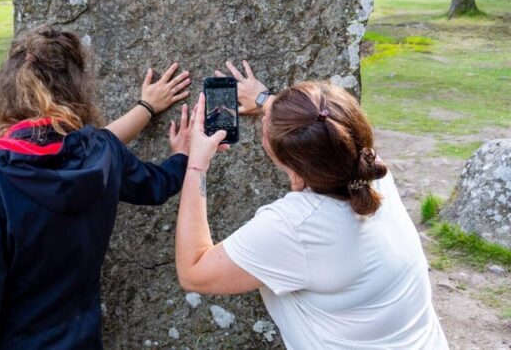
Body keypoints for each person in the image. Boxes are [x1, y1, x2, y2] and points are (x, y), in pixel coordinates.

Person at [0, 25, 193, 349]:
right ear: (77, 86)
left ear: (9, 90)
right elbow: (155, 185)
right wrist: (184, 157)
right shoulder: (104, 152)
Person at [174, 61, 448, 349]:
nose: (265, 122)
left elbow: (193, 273)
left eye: (266, 130)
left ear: (294, 173)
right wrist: (265, 100)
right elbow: (327, 126)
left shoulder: (294, 226)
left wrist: (196, 165)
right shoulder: (373, 172)